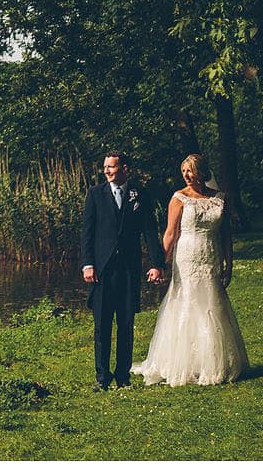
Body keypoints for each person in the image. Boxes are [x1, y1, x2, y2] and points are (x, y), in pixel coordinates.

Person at [133, 152, 250, 385]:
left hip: (210, 256)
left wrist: (229, 264)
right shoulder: (179, 198)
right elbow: (170, 232)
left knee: (212, 304)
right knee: (187, 302)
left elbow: (226, 234)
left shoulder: (219, 199)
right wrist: (159, 264)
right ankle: (182, 362)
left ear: (202, 172)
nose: (187, 175)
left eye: (191, 170)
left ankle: (214, 362)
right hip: (186, 257)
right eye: (184, 171)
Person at [79, 151, 163, 390]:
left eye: (111, 167)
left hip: (128, 270)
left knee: (126, 324)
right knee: (102, 326)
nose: (106, 170)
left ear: (125, 168)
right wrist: (88, 264)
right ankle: (102, 378)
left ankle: (123, 377)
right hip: (101, 272)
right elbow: (87, 232)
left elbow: (149, 231)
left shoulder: (140, 195)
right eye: (105, 167)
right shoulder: (95, 195)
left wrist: (156, 264)